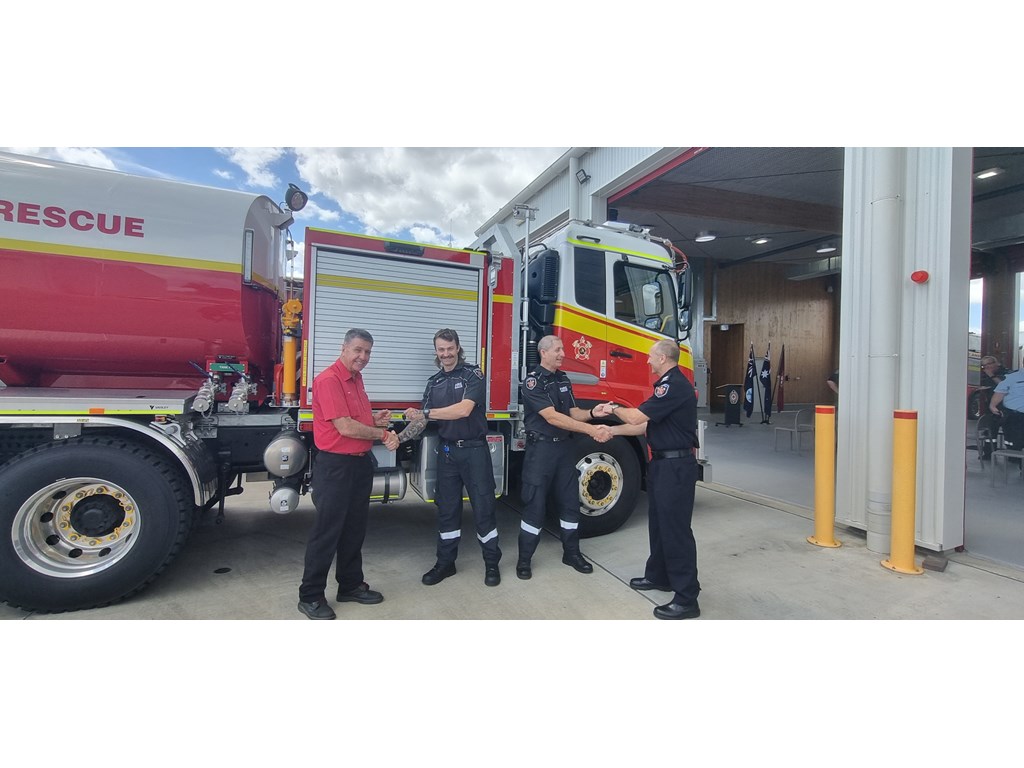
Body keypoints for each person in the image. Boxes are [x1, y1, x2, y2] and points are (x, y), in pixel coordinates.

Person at [594, 339, 701, 620]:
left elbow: (636, 414)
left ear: (664, 358)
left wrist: (612, 407)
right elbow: (644, 425)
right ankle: (660, 576)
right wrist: (611, 431)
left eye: (651, 357)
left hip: (676, 468)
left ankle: (687, 597)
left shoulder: (673, 386)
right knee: (659, 525)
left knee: (676, 530)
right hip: (663, 466)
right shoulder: (667, 386)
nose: (647, 361)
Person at [298, 329, 399, 620]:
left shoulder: (356, 379)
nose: (362, 357)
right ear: (343, 348)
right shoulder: (329, 380)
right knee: (327, 532)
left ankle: (351, 585)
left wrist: (374, 419)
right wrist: (382, 434)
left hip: (358, 464)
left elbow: (355, 419)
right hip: (336, 467)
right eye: (357, 350)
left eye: (367, 352)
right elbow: (344, 427)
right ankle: (310, 595)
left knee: (354, 529)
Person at [403, 328, 502, 587]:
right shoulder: (433, 382)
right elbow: (422, 424)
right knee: (447, 510)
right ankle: (446, 564)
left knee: (483, 508)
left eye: (450, 348)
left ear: (458, 347)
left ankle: (492, 563)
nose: (446, 354)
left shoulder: (474, 374)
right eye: (441, 349)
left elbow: (463, 410)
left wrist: (424, 412)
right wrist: (399, 437)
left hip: (474, 451)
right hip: (447, 453)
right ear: (436, 352)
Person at [517, 335, 612, 580]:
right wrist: (593, 431)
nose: (562, 354)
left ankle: (571, 553)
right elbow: (553, 418)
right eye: (558, 350)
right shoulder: (532, 382)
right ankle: (524, 560)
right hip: (541, 452)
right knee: (534, 506)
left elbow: (572, 413)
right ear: (544, 352)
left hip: (564, 450)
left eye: (562, 350)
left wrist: (593, 413)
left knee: (570, 503)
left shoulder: (562, 379)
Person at [990, 366, 1024, 451]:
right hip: (1016, 417)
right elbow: (1000, 392)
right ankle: (1015, 457)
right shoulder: (1013, 377)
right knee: (1016, 444)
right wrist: (993, 406)